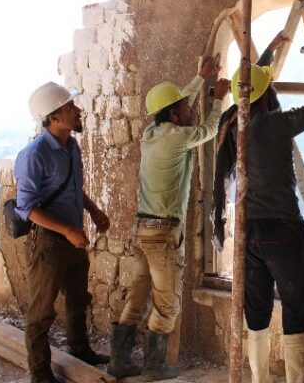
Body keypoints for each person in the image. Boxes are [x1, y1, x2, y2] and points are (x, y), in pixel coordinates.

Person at [212, 39, 304, 383]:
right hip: (283, 231)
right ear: (268, 95)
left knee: (257, 313)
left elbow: (251, 83)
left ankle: (258, 379)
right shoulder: (275, 124)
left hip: (249, 235)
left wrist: (268, 52)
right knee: (295, 309)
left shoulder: (232, 126)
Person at [109, 57, 230, 381]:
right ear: (176, 116)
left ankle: (118, 362)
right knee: (167, 304)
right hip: (163, 236)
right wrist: (218, 98)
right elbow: (207, 129)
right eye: (184, 108)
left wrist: (200, 77)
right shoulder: (179, 137)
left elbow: (178, 107)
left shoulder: (152, 132)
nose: (191, 109)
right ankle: (154, 367)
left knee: (136, 298)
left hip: (143, 231)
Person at [14, 82, 112, 383]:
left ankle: (80, 351)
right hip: (50, 243)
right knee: (41, 314)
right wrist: (68, 230)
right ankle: (41, 375)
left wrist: (93, 210)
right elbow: (27, 208)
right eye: (70, 107)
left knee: (77, 299)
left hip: (72, 238)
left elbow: (72, 187)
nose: (78, 110)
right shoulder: (34, 154)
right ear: (54, 118)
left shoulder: (71, 146)